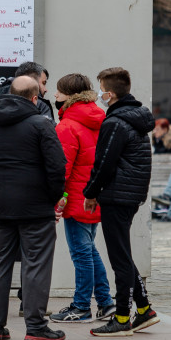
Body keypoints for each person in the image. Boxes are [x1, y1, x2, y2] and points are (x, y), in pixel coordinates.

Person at [0, 75, 67, 340]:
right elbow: (56, 167)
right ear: (35, 98)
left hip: (1, 207)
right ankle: (36, 326)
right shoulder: (41, 123)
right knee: (36, 264)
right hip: (36, 208)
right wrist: (51, 198)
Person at [83, 67, 158, 337]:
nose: (99, 94)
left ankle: (123, 317)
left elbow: (103, 163)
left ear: (110, 94)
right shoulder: (133, 118)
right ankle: (144, 309)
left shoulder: (115, 122)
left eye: (101, 88)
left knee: (119, 259)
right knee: (123, 254)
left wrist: (90, 193)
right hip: (129, 194)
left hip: (117, 194)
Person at [48, 73, 115, 324]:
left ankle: (81, 306)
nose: (55, 95)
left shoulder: (67, 125)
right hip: (95, 195)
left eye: (59, 91)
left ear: (70, 96)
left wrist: (57, 197)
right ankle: (106, 303)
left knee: (81, 253)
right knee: (89, 249)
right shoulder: (101, 118)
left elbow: (62, 168)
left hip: (76, 197)